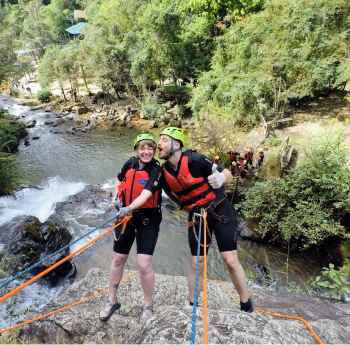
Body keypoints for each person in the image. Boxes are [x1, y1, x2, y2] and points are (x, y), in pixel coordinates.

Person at [158, 127, 253, 313]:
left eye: (163, 140)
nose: (158, 144)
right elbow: (169, 191)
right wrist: (185, 206)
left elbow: (228, 174)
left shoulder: (196, 160)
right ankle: (193, 304)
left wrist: (221, 178)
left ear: (176, 145)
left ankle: (246, 303)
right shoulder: (164, 172)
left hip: (220, 209)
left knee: (230, 260)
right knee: (197, 261)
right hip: (197, 216)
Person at [99, 133, 164, 322]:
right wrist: (117, 198)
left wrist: (129, 207)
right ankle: (112, 300)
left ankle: (148, 305)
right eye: (142, 148)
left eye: (150, 148)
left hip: (147, 219)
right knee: (118, 259)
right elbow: (119, 181)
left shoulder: (156, 171)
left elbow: (146, 194)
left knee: (143, 265)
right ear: (137, 150)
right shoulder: (130, 163)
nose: (146, 151)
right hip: (125, 216)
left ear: (154, 150)